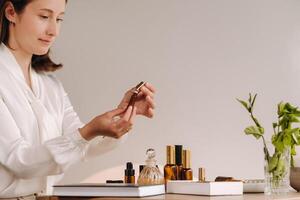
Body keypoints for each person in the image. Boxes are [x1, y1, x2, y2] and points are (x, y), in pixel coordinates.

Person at [0, 0, 156, 198]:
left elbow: (82, 146)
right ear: (11, 12)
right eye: (44, 17)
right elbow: (19, 161)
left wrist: (122, 116)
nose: (54, 30)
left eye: (59, 19)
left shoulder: (51, 86)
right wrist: (86, 132)